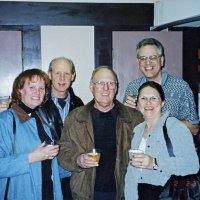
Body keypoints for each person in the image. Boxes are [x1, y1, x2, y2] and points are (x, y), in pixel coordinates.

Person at [58, 66, 144, 200]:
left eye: (110, 83)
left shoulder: (134, 118)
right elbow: (62, 151)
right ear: (91, 87)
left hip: (125, 192)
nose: (106, 88)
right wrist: (78, 160)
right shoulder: (75, 117)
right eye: (100, 83)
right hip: (85, 193)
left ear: (116, 88)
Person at [125, 81, 199, 200]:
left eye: (153, 98)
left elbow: (192, 165)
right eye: (143, 98)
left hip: (166, 194)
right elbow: (132, 171)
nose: (148, 103)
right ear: (138, 103)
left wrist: (154, 162)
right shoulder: (137, 130)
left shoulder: (174, 127)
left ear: (162, 102)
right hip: (138, 194)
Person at [0, 69, 63, 200]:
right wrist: (31, 157)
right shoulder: (5, 120)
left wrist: (78, 162)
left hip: (48, 192)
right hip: (20, 194)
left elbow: (50, 164)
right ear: (20, 90)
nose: (37, 92)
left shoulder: (40, 118)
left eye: (41, 88)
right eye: (32, 87)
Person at [124, 37, 199, 135]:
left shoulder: (180, 87)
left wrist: (163, 123)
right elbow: (124, 125)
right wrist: (124, 111)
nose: (148, 62)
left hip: (170, 149)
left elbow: (194, 129)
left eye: (153, 57)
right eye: (143, 58)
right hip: (140, 148)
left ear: (162, 60)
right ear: (138, 63)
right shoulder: (132, 88)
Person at [41, 57, 84, 199]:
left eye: (66, 73)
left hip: (72, 172)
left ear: (73, 76)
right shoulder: (39, 103)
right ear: (49, 74)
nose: (62, 78)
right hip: (47, 172)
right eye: (57, 73)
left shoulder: (79, 104)